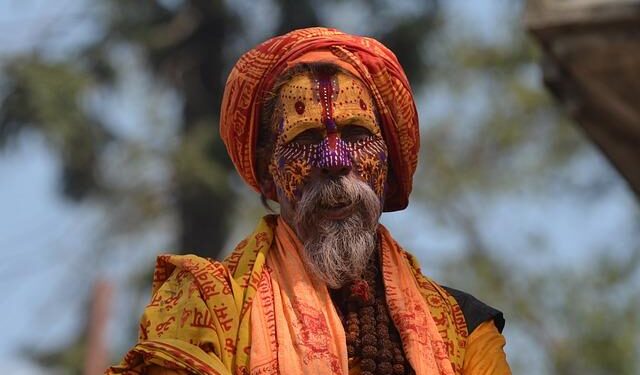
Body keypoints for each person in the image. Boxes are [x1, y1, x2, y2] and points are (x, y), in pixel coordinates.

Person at [107, 27, 511, 375]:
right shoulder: (207, 311)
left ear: (387, 158)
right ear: (267, 172)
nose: (334, 161)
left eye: (355, 134)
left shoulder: (462, 328)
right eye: (304, 139)